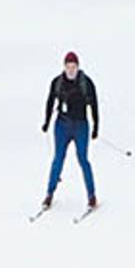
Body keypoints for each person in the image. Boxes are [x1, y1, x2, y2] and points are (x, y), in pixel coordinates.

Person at [41, 51, 99, 209]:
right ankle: (49, 194)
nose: (71, 70)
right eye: (68, 67)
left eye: (73, 67)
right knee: (58, 159)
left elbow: (94, 104)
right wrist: (46, 122)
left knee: (83, 159)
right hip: (62, 126)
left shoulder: (86, 83)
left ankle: (92, 195)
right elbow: (50, 101)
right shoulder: (57, 82)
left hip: (81, 126)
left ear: (78, 67)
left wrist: (96, 127)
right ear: (64, 67)